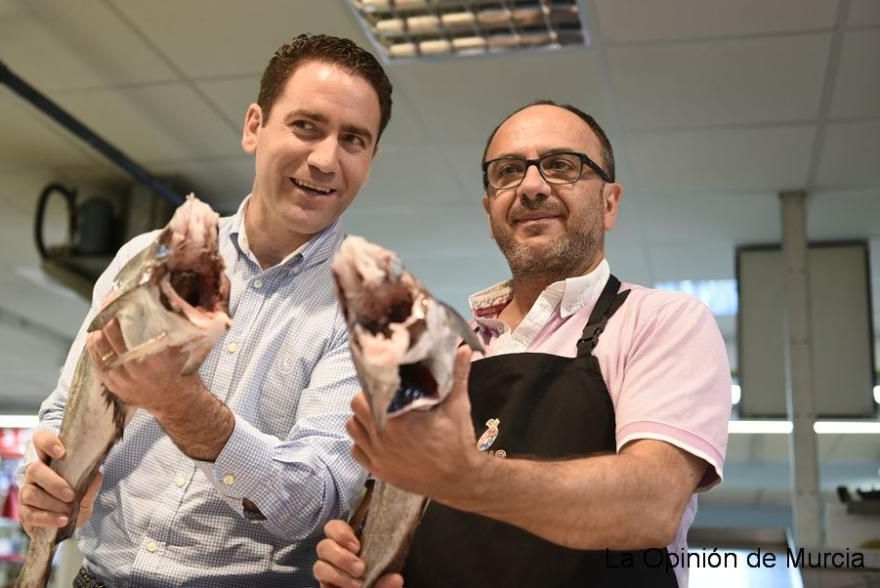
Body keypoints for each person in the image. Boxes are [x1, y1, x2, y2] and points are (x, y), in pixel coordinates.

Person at [18, 33, 393, 587]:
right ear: (254, 127)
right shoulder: (146, 256)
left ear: (370, 158)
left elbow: (313, 502)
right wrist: (51, 482)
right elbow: (68, 409)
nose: (324, 159)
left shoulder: (372, 314)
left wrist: (178, 401)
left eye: (353, 140)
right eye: (306, 126)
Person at [313, 101, 731, 588]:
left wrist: (465, 477)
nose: (532, 186)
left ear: (609, 202)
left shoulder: (661, 322)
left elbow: (652, 504)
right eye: (508, 171)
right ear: (490, 208)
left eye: (560, 165)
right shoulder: (445, 349)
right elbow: (396, 504)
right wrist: (359, 556)